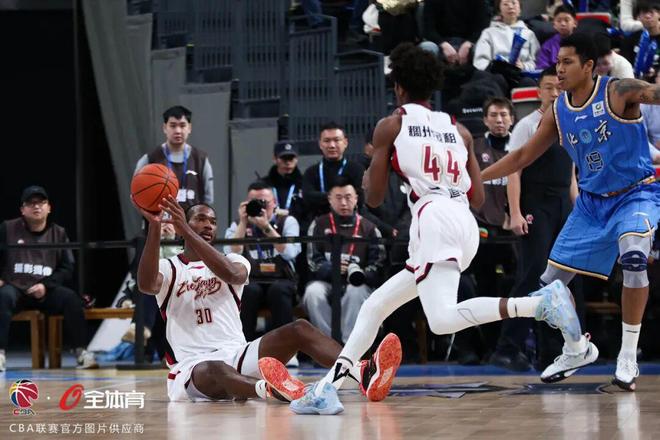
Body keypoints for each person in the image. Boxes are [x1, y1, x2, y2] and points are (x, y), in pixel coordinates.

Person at [272, 43, 587, 415]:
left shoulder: (392, 124)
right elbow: (477, 196)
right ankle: (328, 388)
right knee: (374, 306)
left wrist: (375, 170)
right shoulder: (459, 129)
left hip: (433, 218)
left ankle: (539, 304)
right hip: (462, 219)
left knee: (441, 320)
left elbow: (374, 198)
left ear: (398, 88)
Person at [481, 32, 660, 391]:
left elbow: (655, 93)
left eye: (567, 62)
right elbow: (521, 156)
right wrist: (476, 179)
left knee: (634, 258)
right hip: (591, 204)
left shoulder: (619, 91)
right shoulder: (559, 111)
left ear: (589, 66)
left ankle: (627, 356)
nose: (559, 70)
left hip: (635, 194)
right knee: (548, 289)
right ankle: (577, 348)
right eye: (557, 62)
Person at [135, 195, 401, 403]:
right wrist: (156, 226)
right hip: (193, 368)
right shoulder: (169, 267)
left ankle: (363, 372)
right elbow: (146, 285)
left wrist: (186, 230)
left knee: (300, 328)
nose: (208, 225)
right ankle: (273, 390)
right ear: (182, 225)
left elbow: (233, 275)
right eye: (200, 219)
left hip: (238, 354)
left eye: (213, 221)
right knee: (216, 368)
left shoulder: (233, 259)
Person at [489, 66, 580, 371]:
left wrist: (579, 211)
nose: (555, 93)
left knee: (560, 279)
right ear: (539, 92)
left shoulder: (571, 124)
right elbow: (513, 171)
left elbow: (570, 176)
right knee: (532, 274)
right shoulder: (527, 126)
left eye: (559, 88)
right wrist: (515, 213)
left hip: (562, 206)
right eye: (549, 87)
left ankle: (551, 350)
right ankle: (507, 348)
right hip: (535, 205)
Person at [0, 186, 97, 370]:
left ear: (49, 208)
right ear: (23, 209)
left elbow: (67, 267)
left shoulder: (59, 233)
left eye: (41, 202)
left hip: (45, 289)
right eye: (31, 203)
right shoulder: (7, 228)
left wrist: (45, 286)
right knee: (3, 296)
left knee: (71, 299)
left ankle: (81, 352)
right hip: (15, 288)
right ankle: (0, 354)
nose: (36, 206)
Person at [303, 177, 385, 342]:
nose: (343, 203)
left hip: (358, 283)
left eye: (348, 197)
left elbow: (378, 264)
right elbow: (313, 261)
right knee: (313, 292)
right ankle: (327, 345)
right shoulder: (318, 224)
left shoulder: (369, 228)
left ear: (356, 199)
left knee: (356, 291)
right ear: (329, 199)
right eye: (338, 197)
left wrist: (358, 273)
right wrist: (332, 269)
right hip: (327, 282)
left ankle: (350, 345)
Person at [225, 181, 300, 342]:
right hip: (251, 279)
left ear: (275, 203)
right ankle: (243, 346)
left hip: (281, 279)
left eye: (264, 202)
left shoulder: (287, 221)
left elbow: (290, 253)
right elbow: (231, 254)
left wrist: (267, 227)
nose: (260, 206)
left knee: (278, 291)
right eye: (255, 202)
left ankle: (286, 347)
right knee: (248, 291)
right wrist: (243, 223)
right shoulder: (238, 224)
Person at [134, 105, 214, 209]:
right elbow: (136, 195)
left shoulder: (201, 159)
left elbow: (208, 199)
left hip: (190, 219)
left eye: (182, 125)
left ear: (189, 128)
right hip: (159, 219)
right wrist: (151, 215)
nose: (178, 131)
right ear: (164, 128)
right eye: (173, 126)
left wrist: (199, 216)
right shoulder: (150, 159)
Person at [301, 122, 365, 221]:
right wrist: (342, 197)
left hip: (351, 222)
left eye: (336, 140)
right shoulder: (311, 172)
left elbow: (360, 199)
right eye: (327, 141)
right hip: (319, 222)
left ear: (345, 143)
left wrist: (323, 197)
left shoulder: (357, 170)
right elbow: (308, 197)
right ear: (320, 144)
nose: (332, 145)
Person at [473, 0, 540, 72]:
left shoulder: (529, 34)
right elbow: (480, 60)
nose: (510, 7)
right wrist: (494, 68)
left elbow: (537, 62)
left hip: (521, 74)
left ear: (520, 9)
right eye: (505, 4)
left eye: (513, 3)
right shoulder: (489, 33)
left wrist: (524, 66)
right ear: (499, 10)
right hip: (495, 74)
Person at [261, 141, 305, 223]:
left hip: (299, 228)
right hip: (268, 226)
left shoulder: (304, 183)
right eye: (284, 158)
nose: (288, 163)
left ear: (297, 159)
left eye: (291, 158)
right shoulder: (264, 184)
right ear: (274, 159)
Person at [535, 4, 577, 70]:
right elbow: (542, 69)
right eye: (559, 21)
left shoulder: (582, 43)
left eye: (566, 20)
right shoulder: (547, 46)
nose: (563, 24)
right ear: (554, 24)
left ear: (575, 23)